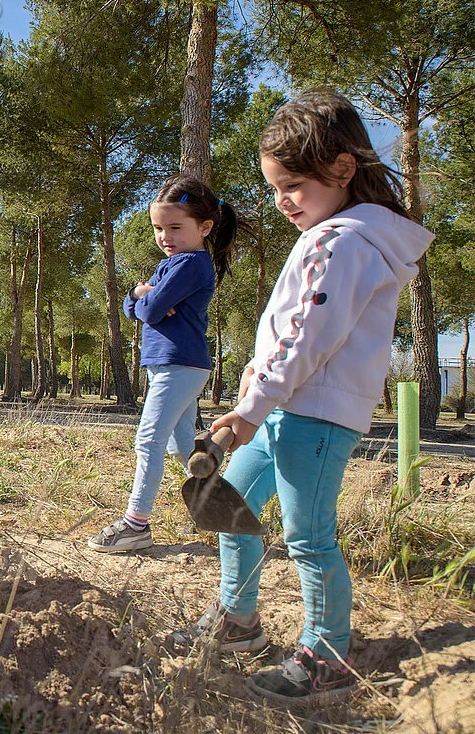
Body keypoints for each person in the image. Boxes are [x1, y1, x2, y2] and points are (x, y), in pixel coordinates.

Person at [175, 89, 433, 705]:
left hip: (314, 416)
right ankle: (240, 621)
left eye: (292, 185)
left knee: (308, 537)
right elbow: (292, 332)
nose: (281, 201)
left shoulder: (342, 243)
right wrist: (254, 379)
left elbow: (310, 337)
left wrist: (250, 404)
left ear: (342, 170)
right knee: (225, 503)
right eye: (272, 188)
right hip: (286, 408)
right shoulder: (337, 237)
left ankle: (327, 656)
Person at [88, 175, 245, 553]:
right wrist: (139, 294)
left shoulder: (191, 264)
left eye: (176, 227)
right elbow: (138, 305)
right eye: (159, 227)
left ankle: (135, 526)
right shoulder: (171, 264)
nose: (165, 236)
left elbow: (152, 310)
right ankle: (227, 516)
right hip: (170, 364)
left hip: (180, 364)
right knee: (180, 447)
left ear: (205, 227)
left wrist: (145, 299)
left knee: (148, 441)